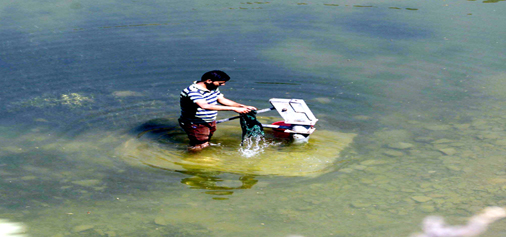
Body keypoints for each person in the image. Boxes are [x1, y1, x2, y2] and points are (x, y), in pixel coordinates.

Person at [179, 70, 257, 152]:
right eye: (220, 83)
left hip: (209, 120)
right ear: (209, 81)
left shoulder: (212, 87)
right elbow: (205, 106)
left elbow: (221, 100)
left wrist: (242, 106)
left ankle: (199, 152)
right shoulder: (193, 91)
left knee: (204, 141)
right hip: (195, 123)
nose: (223, 85)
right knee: (199, 144)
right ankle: (193, 159)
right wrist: (234, 109)